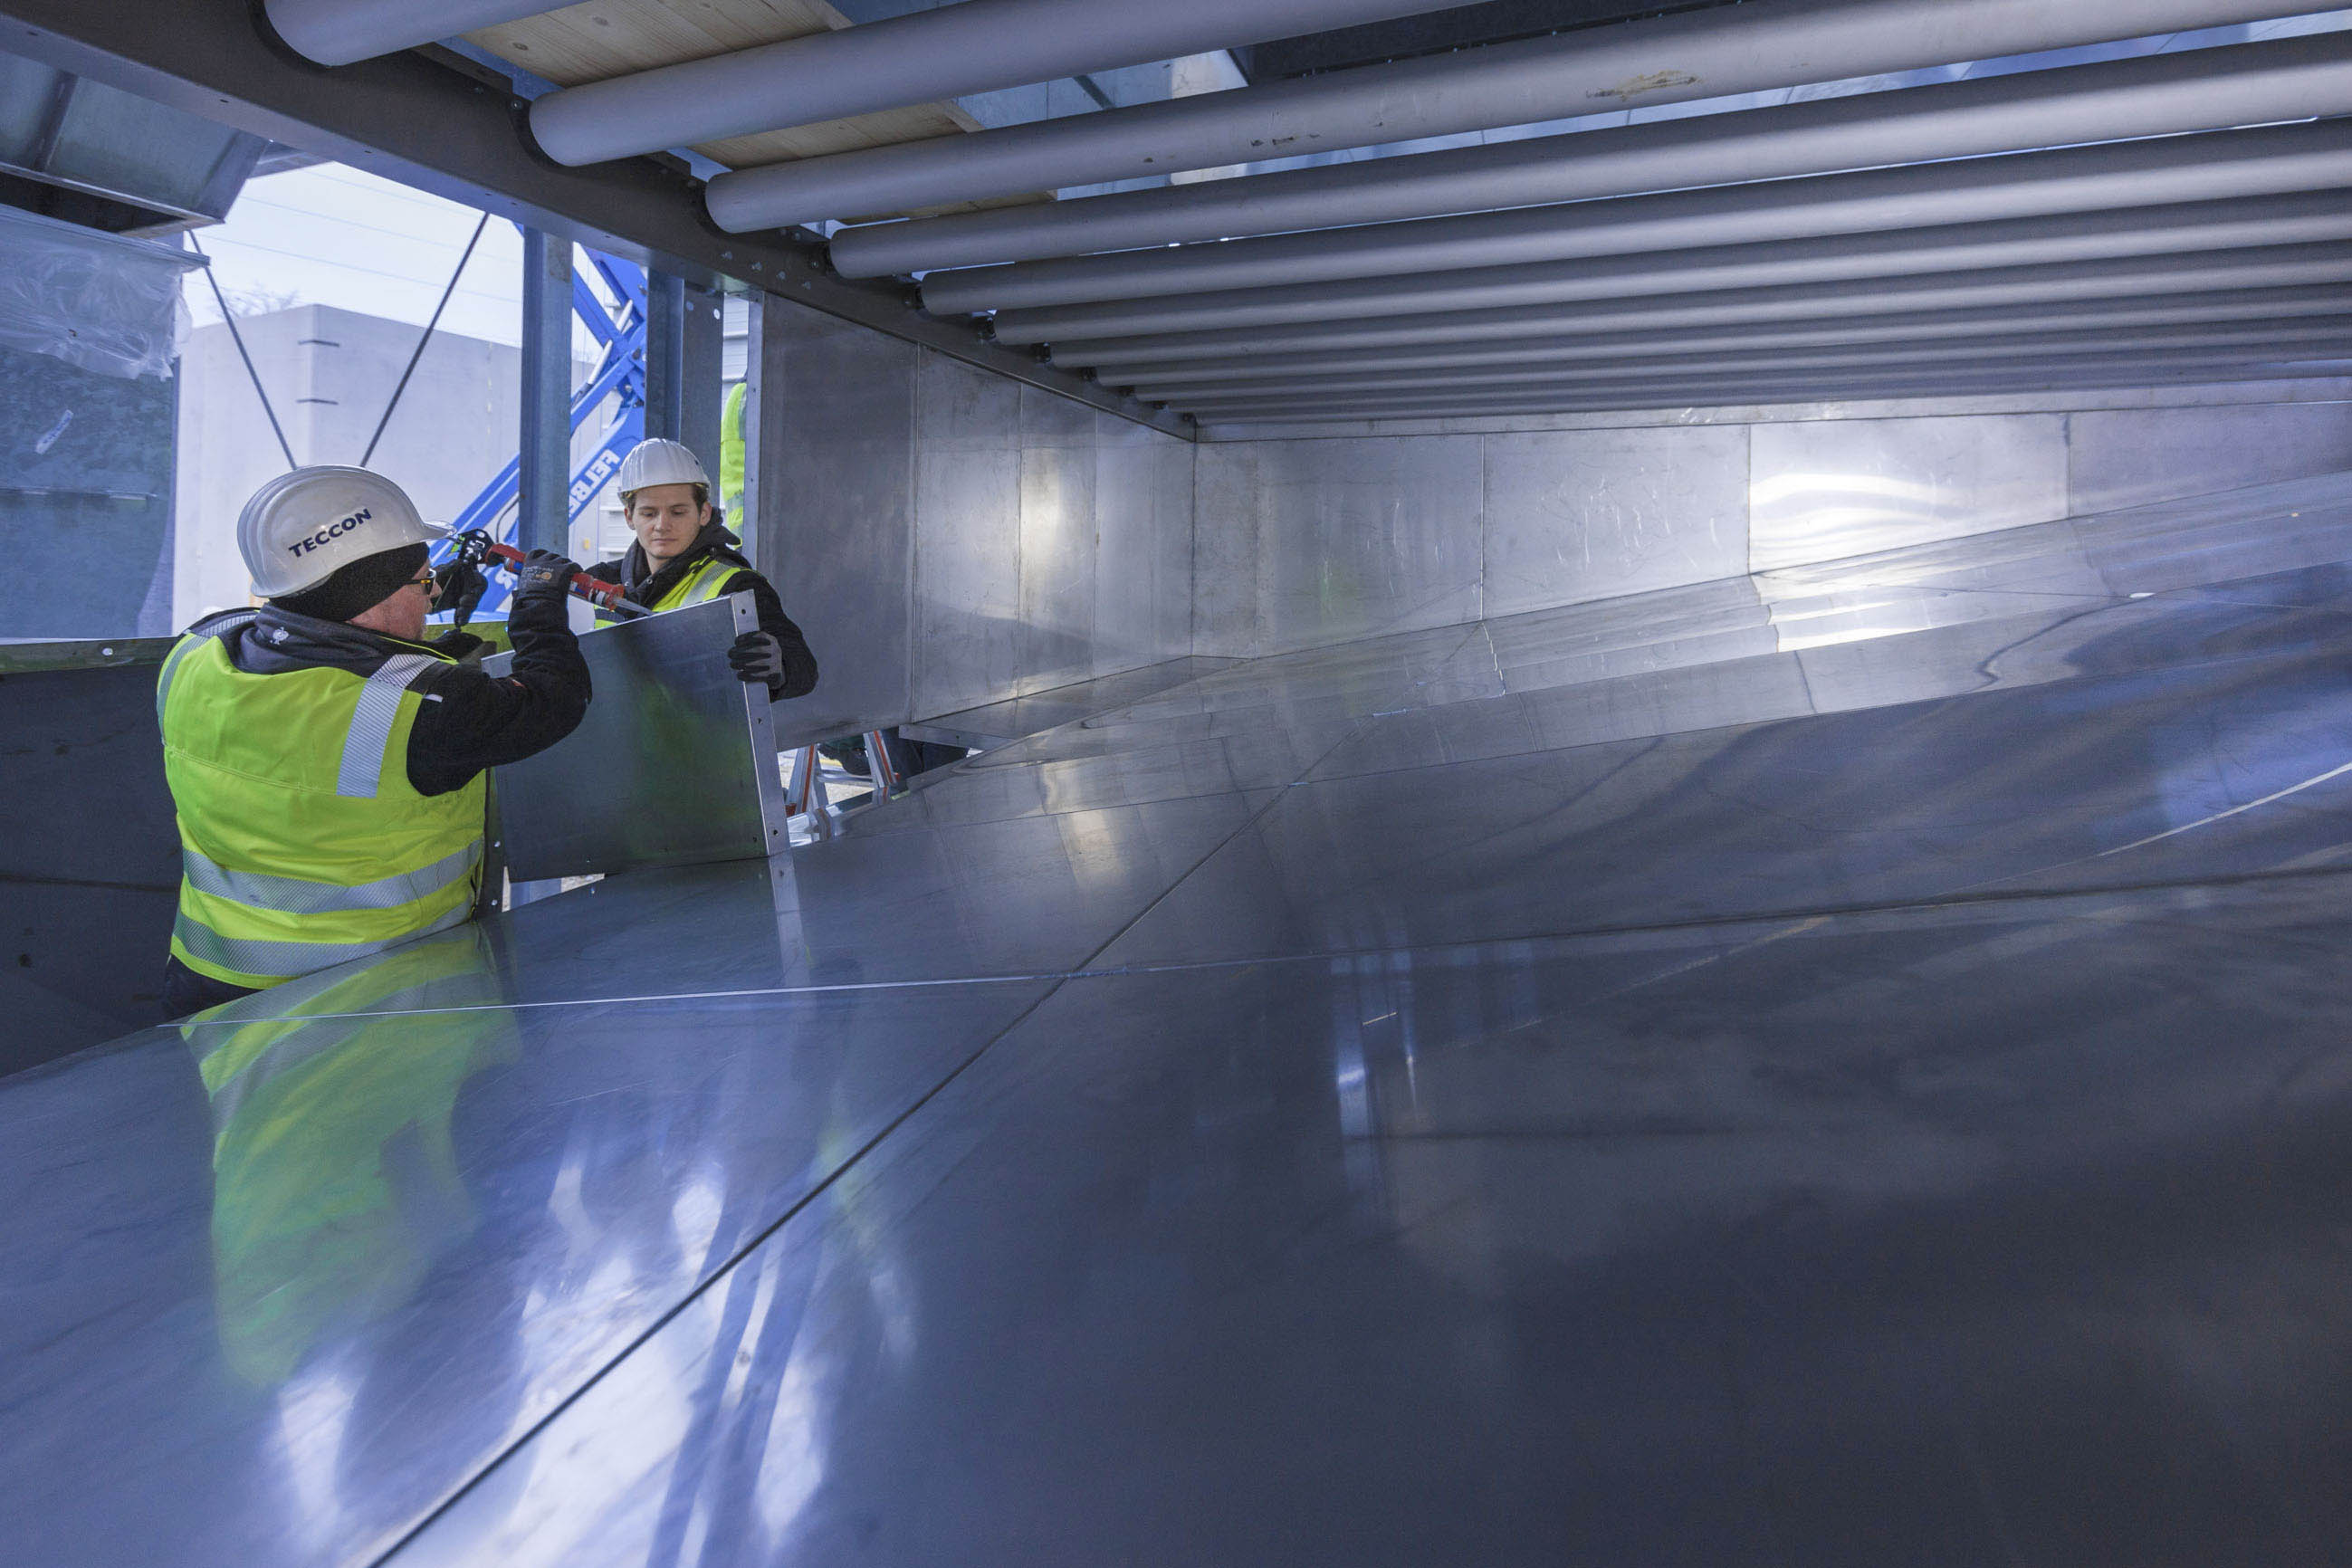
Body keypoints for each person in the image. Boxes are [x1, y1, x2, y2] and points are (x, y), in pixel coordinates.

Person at [157, 465, 591, 1018]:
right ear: (373, 598)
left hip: (206, 984)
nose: (432, 592)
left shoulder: (193, 656)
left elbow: (330, 653)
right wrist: (538, 611)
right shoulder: (423, 713)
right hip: (358, 1004)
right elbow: (551, 699)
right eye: (422, 581)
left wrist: (424, 596)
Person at [585, 437, 817, 702]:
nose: (662, 525)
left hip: (709, 741)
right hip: (630, 741)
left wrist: (779, 667)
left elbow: (805, 671)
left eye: (678, 512)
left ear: (703, 513)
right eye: (649, 513)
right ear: (629, 517)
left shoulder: (737, 585)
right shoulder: (604, 582)